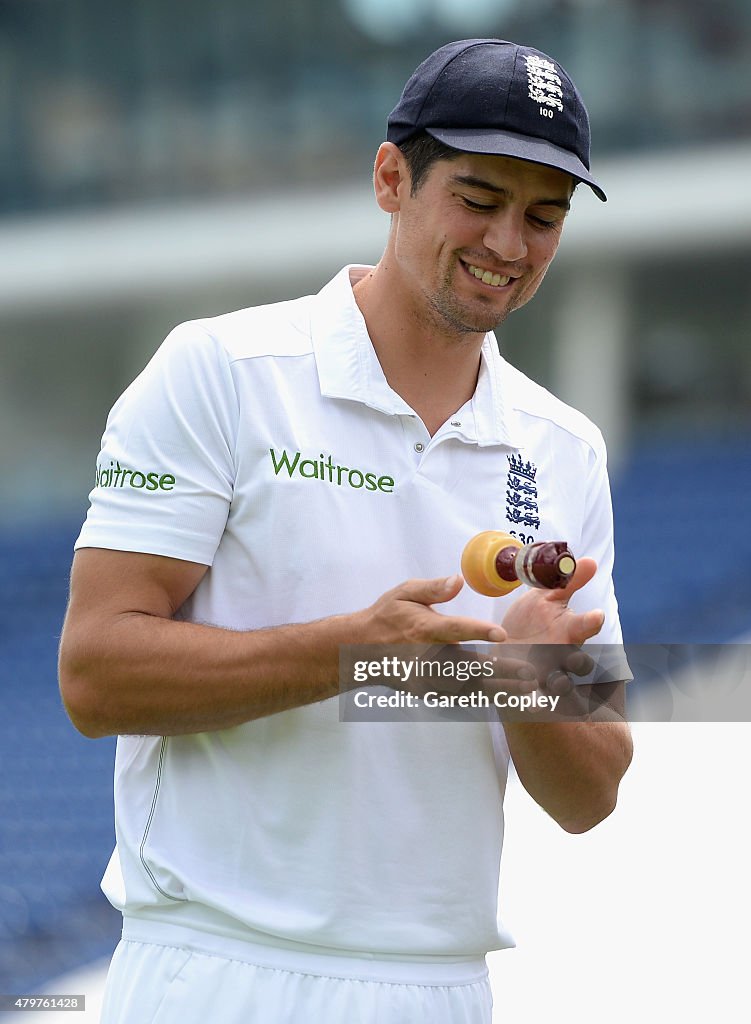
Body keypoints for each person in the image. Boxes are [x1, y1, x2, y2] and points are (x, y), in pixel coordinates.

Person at [59, 38, 632, 1024]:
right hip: (215, 968)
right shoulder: (220, 372)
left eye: (544, 216)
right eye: (477, 197)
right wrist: (353, 655)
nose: (508, 242)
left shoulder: (562, 448)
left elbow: (590, 797)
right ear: (389, 178)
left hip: (440, 988)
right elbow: (95, 673)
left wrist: (532, 690)